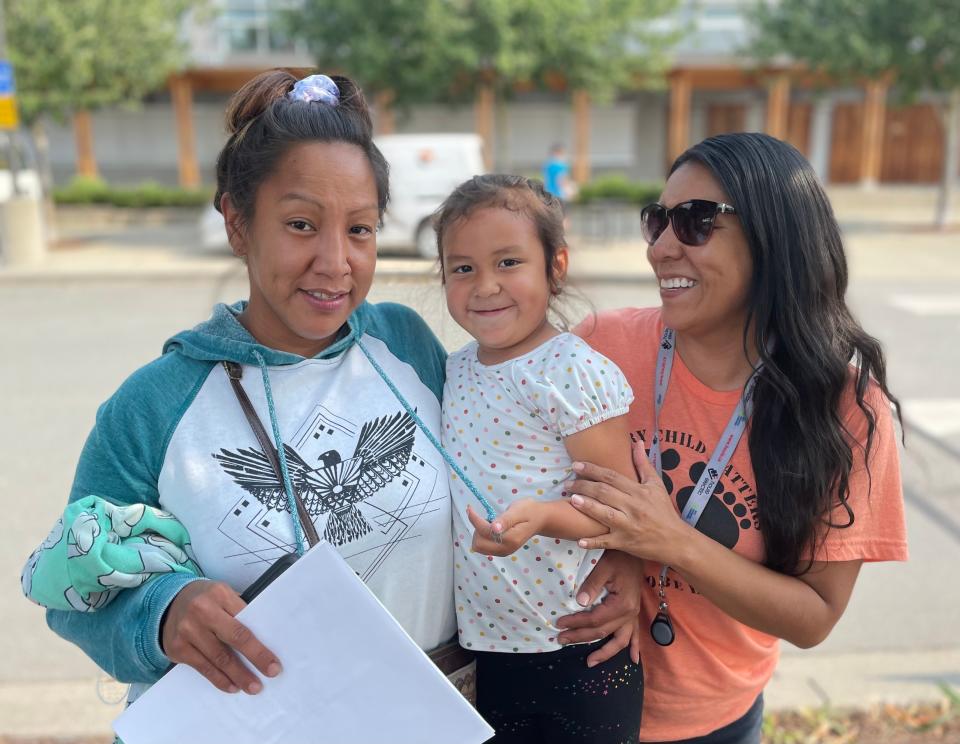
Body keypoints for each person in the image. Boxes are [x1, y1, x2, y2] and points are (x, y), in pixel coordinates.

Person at [22, 70, 644, 712]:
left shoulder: (403, 346)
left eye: (360, 229)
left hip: (430, 716)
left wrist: (620, 551)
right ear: (237, 223)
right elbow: (74, 590)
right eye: (300, 224)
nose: (335, 262)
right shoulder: (153, 405)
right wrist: (161, 612)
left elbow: (550, 457)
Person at [566, 132, 908, 743]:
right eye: (658, 221)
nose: (663, 248)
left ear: (776, 238)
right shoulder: (599, 346)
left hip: (714, 726)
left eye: (697, 221)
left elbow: (815, 617)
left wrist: (671, 541)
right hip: (566, 702)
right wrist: (619, 546)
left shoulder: (847, 411)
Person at [436, 174, 644, 743]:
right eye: (463, 268)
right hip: (486, 651)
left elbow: (620, 513)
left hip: (579, 649)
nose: (485, 287)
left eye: (508, 263)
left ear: (555, 266)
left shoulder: (573, 371)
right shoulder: (453, 371)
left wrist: (546, 517)